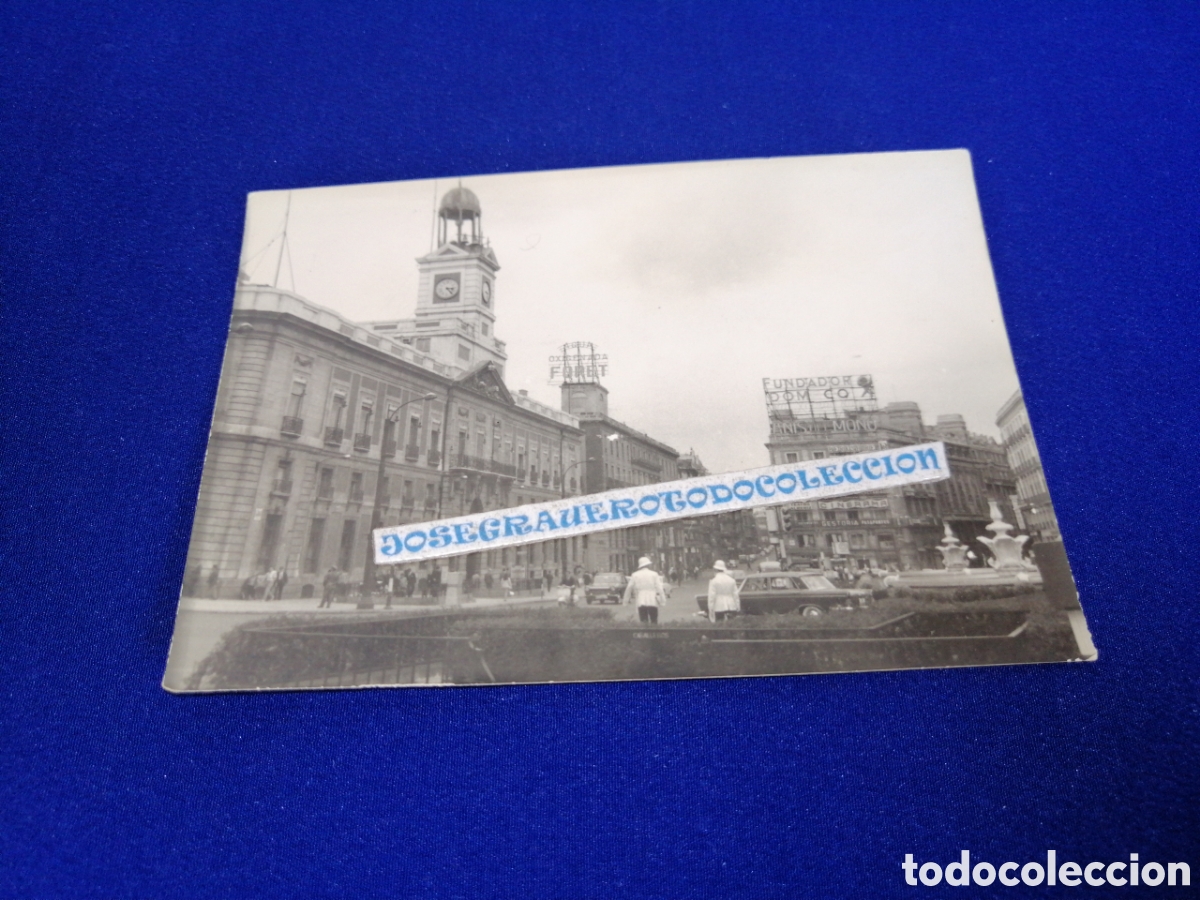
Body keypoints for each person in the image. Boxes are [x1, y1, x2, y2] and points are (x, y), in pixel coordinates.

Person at [623, 556, 666, 625]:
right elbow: (660, 588)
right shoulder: (654, 574)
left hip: (641, 599)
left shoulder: (635, 575)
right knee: (654, 620)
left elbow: (629, 588)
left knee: (643, 621)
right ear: (648, 565)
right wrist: (663, 601)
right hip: (652, 600)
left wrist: (625, 601)